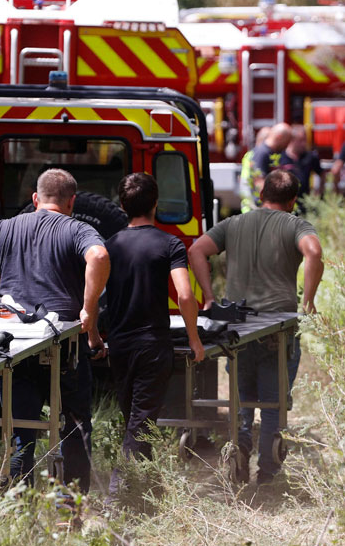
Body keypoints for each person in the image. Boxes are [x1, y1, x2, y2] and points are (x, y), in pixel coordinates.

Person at [0, 169, 110, 491]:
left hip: (13, 347)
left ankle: (15, 505)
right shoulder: (78, 229)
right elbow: (98, 255)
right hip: (65, 349)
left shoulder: (6, 227)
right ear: (72, 201)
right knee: (75, 426)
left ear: (34, 199)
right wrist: (88, 309)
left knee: (20, 430)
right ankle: (70, 507)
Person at [189, 170, 324, 485]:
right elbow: (314, 252)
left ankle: (238, 454)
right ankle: (267, 475)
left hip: (238, 328)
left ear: (262, 194)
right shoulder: (295, 225)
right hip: (277, 329)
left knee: (241, 400)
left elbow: (196, 250)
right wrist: (309, 301)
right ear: (292, 201)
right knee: (273, 401)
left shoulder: (234, 224)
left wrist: (208, 297)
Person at [104, 173, 205, 495]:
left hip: (118, 344)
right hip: (152, 344)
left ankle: (147, 491)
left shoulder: (109, 246)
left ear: (121, 205)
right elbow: (186, 296)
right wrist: (194, 337)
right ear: (156, 204)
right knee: (141, 421)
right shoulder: (170, 244)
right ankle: (117, 496)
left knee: (135, 418)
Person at [278, 125, 324, 211]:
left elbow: (322, 174)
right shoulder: (281, 158)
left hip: (305, 203)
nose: (304, 144)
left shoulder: (310, 157)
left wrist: (319, 192)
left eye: (305, 140)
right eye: (301, 140)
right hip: (286, 203)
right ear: (292, 140)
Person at [249, 123, 293, 206]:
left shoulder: (274, 153)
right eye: (287, 141)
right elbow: (259, 181)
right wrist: (270, 205)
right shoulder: (262, 153)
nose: (287, 145)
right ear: (279, 137)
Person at [238, 126, 272, 214]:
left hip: (248, 204)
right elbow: (258, 182)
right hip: (254, 206)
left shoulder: (250, 154)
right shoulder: (258, 155)